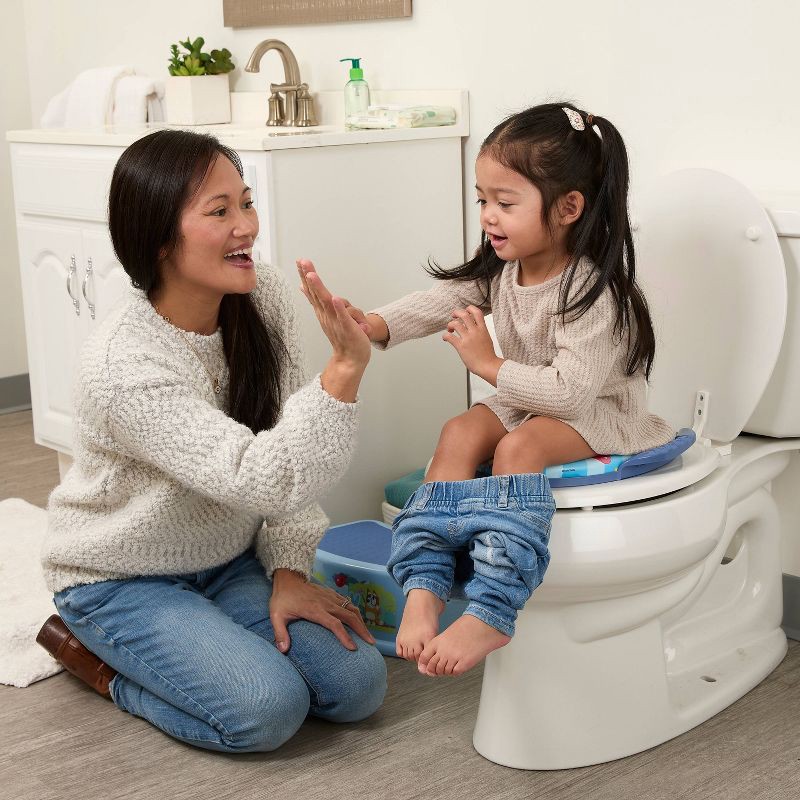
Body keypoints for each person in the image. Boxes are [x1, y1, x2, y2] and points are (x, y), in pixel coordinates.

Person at [36, 129, 387, 753]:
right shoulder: (124, 364)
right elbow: (264, 475)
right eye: (219, 211)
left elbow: (285, 441)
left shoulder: (261, 296)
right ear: (158, 238)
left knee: (357, 687)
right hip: (121, 577)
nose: (246, 226)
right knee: (268, 711)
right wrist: (342, 372)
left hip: (228, 558)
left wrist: (288, 568)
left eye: (246, 203)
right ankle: (99, 665)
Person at [342, 103, 675, 677]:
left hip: (598, 412)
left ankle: (493, 608)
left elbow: (570, 395)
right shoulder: (504, 269)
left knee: (519, 448)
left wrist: (487, 363)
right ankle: (424, 582)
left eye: (505, 202)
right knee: (460, 430)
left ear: (568, 208)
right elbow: (442, 301)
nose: (488, 217)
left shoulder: (591, 292)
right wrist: (372, 325)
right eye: (482, 200)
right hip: (530, 401)